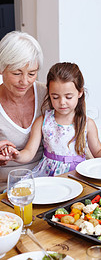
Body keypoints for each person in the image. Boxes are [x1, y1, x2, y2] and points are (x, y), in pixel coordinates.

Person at [2, 62, 101, 176]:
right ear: (48, 93)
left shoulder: (87, 124)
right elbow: (29, 153)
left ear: (80, 93)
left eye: (68, 97)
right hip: (49, 176)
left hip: (79, 173)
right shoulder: (42, 121)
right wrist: (17, 155)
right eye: (55, 97)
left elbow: (99, 152)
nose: (62, 102)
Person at [0, 31, 46, 192]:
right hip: (7, 187)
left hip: (48, 181)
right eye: (16, 73)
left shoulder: (48, 95)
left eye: (32, 74)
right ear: (1, 69)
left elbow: (76, 132)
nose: (24, 81)